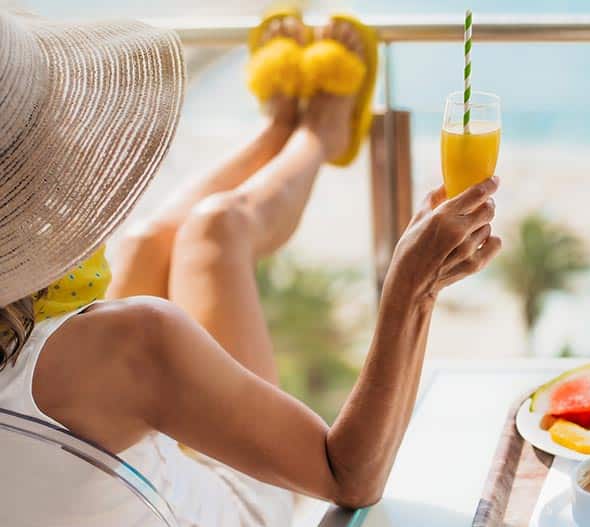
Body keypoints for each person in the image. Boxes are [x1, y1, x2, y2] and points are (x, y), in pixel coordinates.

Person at [0, 9, 501, 527]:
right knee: (217, 228)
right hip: (240, 503)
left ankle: (281, 130)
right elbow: (348, 475)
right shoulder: (137, 344)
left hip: (121, 464)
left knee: (149, 241)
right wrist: (413, 288)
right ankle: (316, 134)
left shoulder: (98, 348)